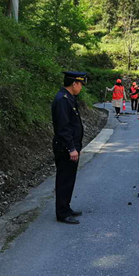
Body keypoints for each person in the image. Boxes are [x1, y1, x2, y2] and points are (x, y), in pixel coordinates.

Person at [51, 71, 87, 224]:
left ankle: (66, 207)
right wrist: (71, 148)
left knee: (69, 179)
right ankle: (62, 213)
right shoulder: (62, 100)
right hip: (65, 148)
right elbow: (63, 128)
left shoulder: (69, 98)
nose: (81, 88)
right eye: (80, 84)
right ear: (74, 84)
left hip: (71, 146)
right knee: (64, 180)